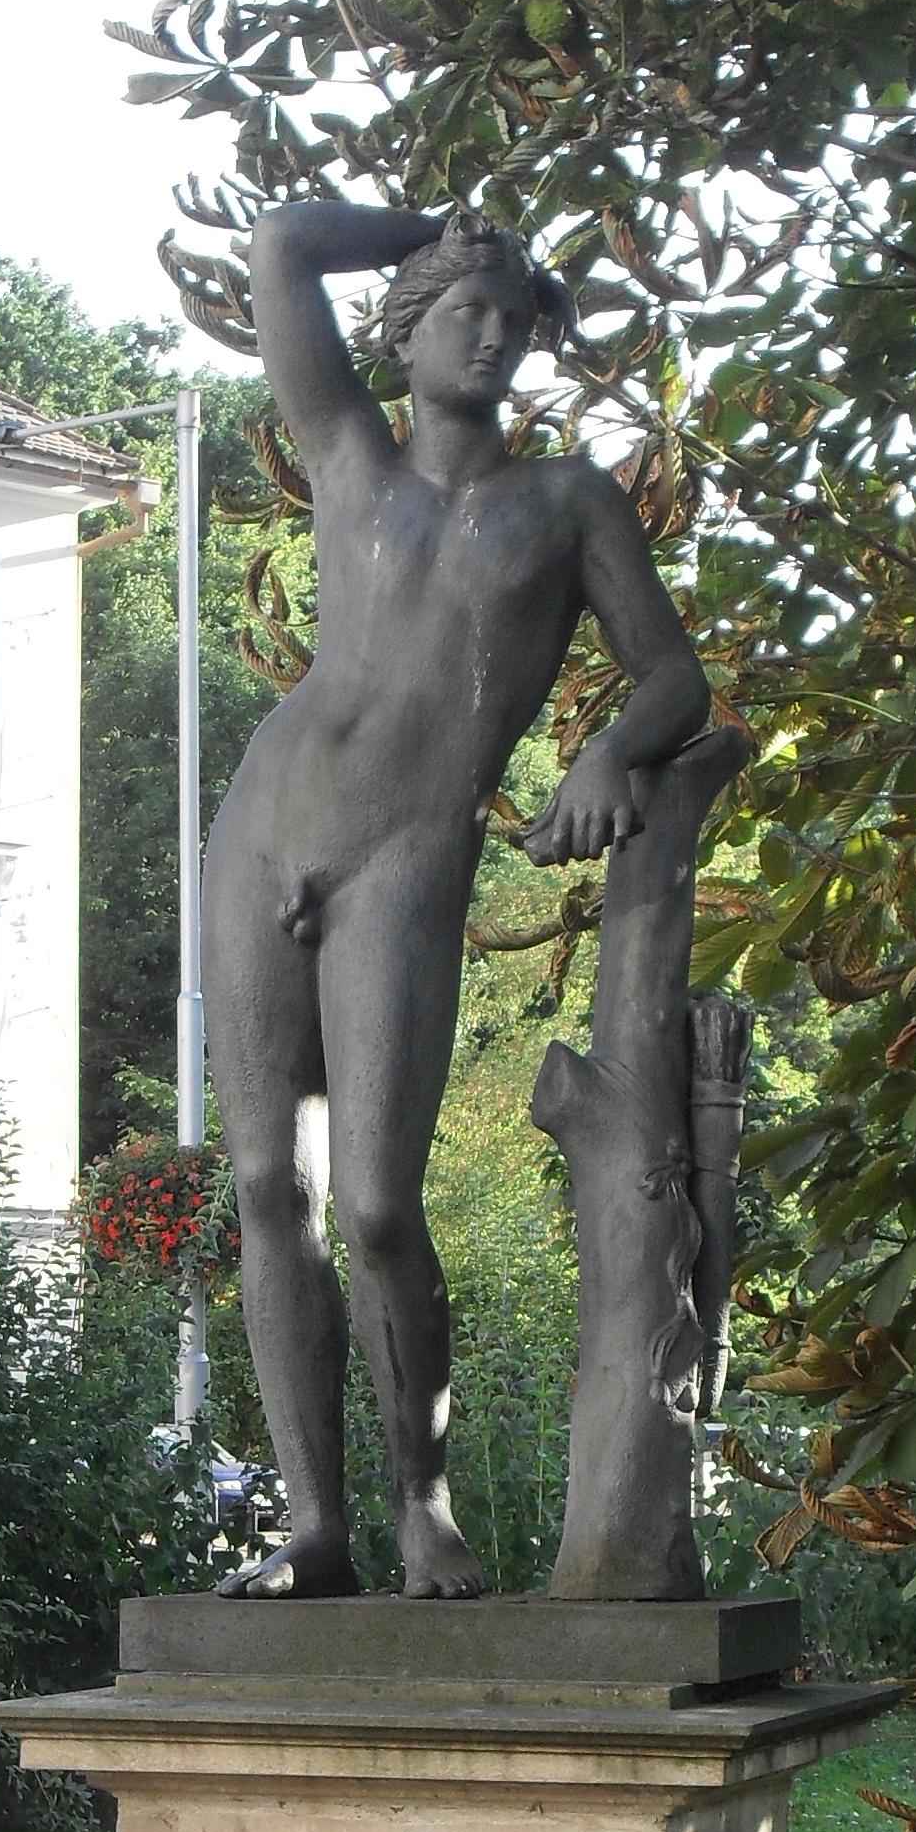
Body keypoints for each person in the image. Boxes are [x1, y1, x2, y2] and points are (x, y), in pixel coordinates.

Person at [207, 200, 714, 1599]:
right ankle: (316, 1529)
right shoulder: (349, 455)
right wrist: (438, 229)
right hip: (264, 830)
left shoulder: (567, 502)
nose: (490, 336)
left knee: (376, 1205)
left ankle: (421, 1506)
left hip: (407, 859)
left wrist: (607, 753)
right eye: (460, 313)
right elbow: (282, 245)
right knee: (266, 1187)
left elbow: (675, 675)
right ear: (405, 330)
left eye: (511, 317)